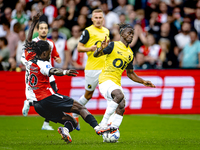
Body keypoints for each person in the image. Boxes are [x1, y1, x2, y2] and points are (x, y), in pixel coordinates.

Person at [23, 39, 116, 143]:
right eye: (49, 52)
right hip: (47, 97)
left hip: (37, 106)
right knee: (80, 108)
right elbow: (53, 70)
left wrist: (32, 25)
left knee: (71, 121)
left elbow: (27, 43)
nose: (50, 55)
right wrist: (65, 72)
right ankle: (98, 128)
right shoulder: (43, 64)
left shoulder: (29, 59)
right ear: (44, 53)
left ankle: (65, 130)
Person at [93, 23, 156, 129]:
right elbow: (96, 55)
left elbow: (130, 74)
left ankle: (113, 130)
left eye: (132, 33)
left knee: (121, 105)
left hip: (116, 82)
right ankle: (103, 124)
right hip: (105, 80)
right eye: (129, 33)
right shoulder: (113, 45)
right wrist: (100, 49)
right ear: (122, 34)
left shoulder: (130, 54)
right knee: (119, 95)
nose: (131, 35)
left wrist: (143, 81)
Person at [21, 13, 61, 130]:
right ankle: (29, 103)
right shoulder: (33, 42)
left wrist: (57, 58)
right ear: (38, 30)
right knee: (43, 99)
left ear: (48, 30)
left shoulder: (51, 43)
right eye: (41, 28)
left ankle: (46, 123)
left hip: (48, 74)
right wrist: (30, 65)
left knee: (54, 95)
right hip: (35, 74)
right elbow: (23, 58)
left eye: (45, 28)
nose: (43, 30)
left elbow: (55, 56)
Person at [72, 9, 110, 130]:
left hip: (104, 69)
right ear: (92, 19)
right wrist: (90, 49)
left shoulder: (106, 31)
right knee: (88, 95)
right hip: (92, 69)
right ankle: (75, 113)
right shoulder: (88, 31)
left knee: (110, 95)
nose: (98, 20)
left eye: (100, 18)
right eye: (96, 18)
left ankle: (108, 123)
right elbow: (79, 47)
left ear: (103, 19)